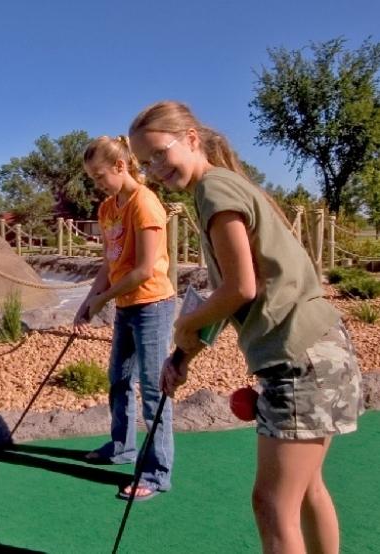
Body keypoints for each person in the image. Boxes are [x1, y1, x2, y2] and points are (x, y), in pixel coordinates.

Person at [128, 100, 364, 553]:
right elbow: (229, 298)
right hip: (321, 348)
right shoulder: (221, 188)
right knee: (308, 489)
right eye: (145, 163)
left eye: (160, 153)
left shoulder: (214, 190)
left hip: (299, 358)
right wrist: (183, 357)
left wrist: (182, 327)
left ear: (192, 139)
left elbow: (241, 288)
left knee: (272, 505)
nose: (156, 168)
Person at [73, 135, 176, 502]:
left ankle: (157, 472)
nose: (97, 184)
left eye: (100, 176)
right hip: (126, 306)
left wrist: (103, 299)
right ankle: (122, 447)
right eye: (93, 178)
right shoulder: (107, 208)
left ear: (121, 166)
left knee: (152, 390)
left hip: (152, 305)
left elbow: (144, 270)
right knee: (118, 379)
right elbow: (111, 264)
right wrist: (89, 300)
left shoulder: (145, 204)